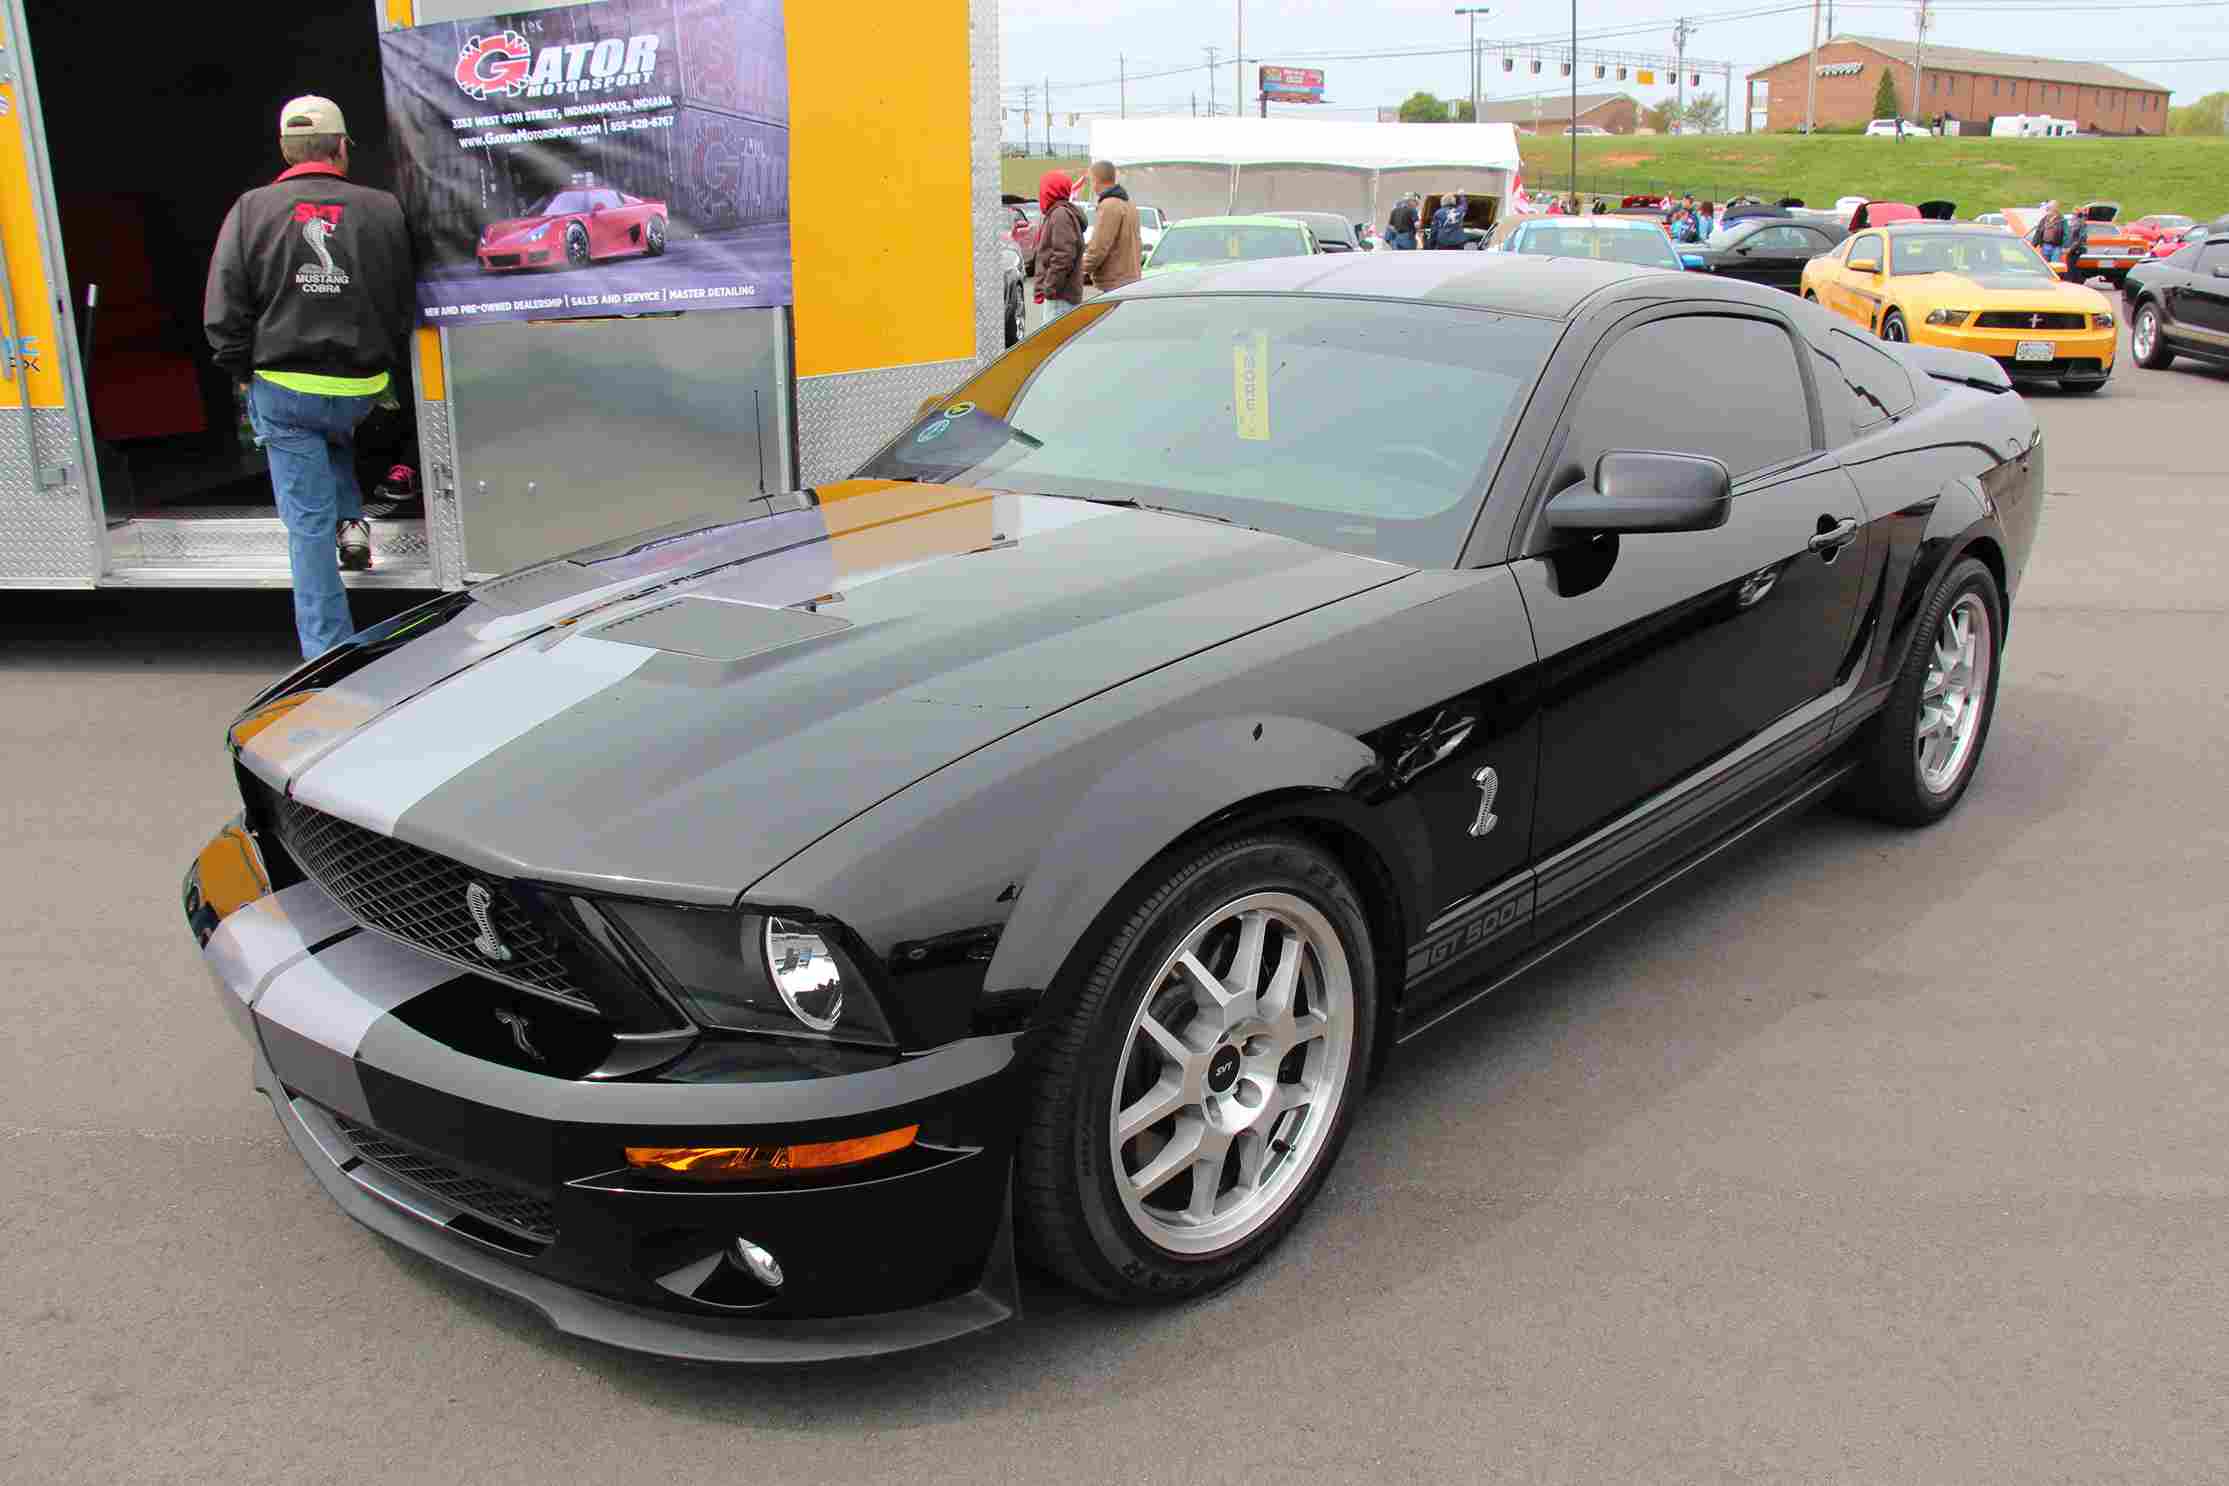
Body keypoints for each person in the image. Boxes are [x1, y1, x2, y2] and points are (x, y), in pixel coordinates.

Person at [204, 94, 413, 661]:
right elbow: (400, 301)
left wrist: (240, 370)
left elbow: (224, 311)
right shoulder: (383, 208)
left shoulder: (250, 210)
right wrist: (380, 361)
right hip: (361, 389)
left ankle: (326, 651)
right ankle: (353, 523)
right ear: (342, 149)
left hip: (287, 388)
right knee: (334, 427)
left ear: (284, 150)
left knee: (305, 529)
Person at [1031, 169, 1086, 327]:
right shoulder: (1057, 213)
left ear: (1050, 191)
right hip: (1060, 295)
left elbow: (1063, 256)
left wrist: (1050, 288)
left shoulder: (1060, 215)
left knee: (1055, 346)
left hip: (1060, 298)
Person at [1080, 160, 1142, 293]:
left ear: (1096, 179)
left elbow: (1100, 246)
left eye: (1091, 181)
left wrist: (1081, 269)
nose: (1091, 186)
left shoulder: (1109, 205)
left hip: (1115, 281)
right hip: (1129, 278)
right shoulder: (1129, 203)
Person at [2030, 200, 2067, 265]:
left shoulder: (2062, 220)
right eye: (2048, 207)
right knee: (2045, 265)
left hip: (2057, 247)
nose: (2047, 209)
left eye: (2050, 207)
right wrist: (2032, 245)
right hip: (2045, 246)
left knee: (2055, 265)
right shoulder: (2044, 220)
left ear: (2055, 209)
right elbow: (2038, 232)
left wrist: (2064, 246)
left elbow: (2066, 234)